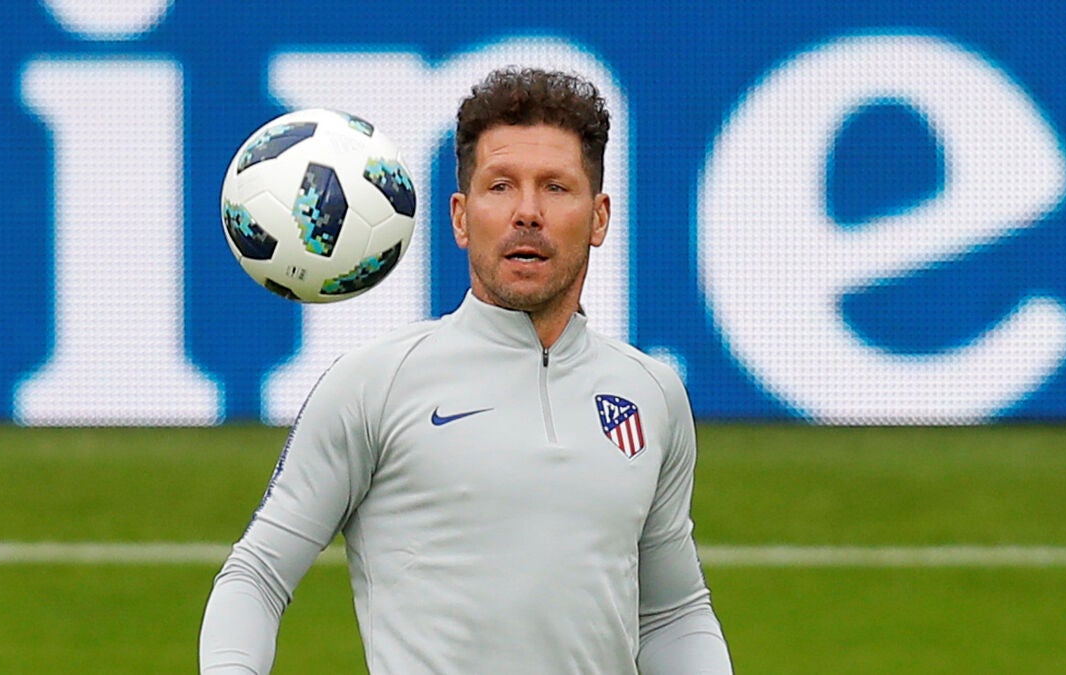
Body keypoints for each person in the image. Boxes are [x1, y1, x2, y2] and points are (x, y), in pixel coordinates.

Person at [199, 66, 733, 674]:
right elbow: (257, 576)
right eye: (500, 186)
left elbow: (672, 614)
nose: (527, 212)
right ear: (460, 217)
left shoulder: (652, 394)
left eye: (556, 188)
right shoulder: (374, 384)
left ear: (599, 217)